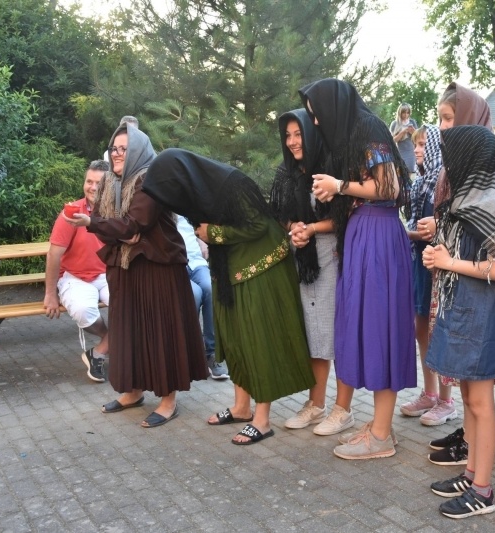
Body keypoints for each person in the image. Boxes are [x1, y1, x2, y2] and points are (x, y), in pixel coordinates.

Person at [142, 148, 315, 444]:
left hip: (263, 269)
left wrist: (216, 234)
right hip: (229, 271)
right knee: (234, 339)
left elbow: (259, 225)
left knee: (258, 341)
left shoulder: (233, 184)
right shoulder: (199, 195)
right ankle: (241, 408)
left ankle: (262, 420)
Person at [300, 78, 416, 460]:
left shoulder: (368, 128)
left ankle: (381, 434)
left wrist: (340, 184)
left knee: (381, 329)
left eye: (317, 116)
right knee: (366, 328)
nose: (315, 124)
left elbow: (388, 188)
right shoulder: (357, 132)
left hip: (379, 237)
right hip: (367, 235)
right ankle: (378, 427)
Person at [66, 124, 208, 428]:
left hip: (159, 269)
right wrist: (120, 231)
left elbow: (132, 225)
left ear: (139, 151)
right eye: (114, 148)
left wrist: (99, 224)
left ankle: (168, 400)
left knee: (160, 332)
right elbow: (121, 230)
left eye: (124, 148)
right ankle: (133, 391)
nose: (117, 154)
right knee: (129, 330)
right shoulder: (112, 184)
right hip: (127, 268)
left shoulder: (151, 181)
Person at [424, 125, 495, 519]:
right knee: (468, 400)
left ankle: (483, 491)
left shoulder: (490, 201)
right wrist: (439, 255)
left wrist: (448, 262)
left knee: (481, 402)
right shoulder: (467, 197)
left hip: (481, 314)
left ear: (471, 158)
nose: (447, 162)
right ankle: (471, 472)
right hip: (462, 306)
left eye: (453, 155)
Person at [424, 80, 495, 465]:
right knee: (469, 383)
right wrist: (433, 232)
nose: (443, 127)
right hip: (454, 276)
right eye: (440, 118)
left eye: (449, 118)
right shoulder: (456, 168)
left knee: (477, 383)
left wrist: (448, 257)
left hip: (474, 288)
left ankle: (476, 452)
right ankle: (470, 438)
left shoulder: (484, 173)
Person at [268, 108, 340, 433]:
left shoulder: (327, 168)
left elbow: (342, 217)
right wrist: (294, 227)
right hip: (301, 256)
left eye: (298, 134)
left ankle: (323, 404)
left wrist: (310, 229)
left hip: (327, 256)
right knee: (311, 331)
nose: (293, 141)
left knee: (324, 331)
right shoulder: (286, 172)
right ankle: (317, 402)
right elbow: (280, 213)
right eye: (288, 135)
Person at [400, 125, 457, 426]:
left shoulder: (448, 181)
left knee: (439, 330)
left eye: (423, 144)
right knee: (421, 329)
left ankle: (447, 401)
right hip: (419, 262)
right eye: (416, 145)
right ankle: (430, 393)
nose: (418, 150)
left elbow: (452, 226)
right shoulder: (420, 182)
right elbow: (417, 226)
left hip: (441, 267)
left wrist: (414, 232)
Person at [44, 160, 110, 383]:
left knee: (133, 304)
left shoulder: (117, 210)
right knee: (83, 310)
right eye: (88, 181)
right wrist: (50, 294)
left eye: (98, 183)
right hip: (75, 276)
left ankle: (99, 352)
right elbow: (54, 254)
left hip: (108, 275)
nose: (91, 187)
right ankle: (116, 341)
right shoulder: (71, 212)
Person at [175, 216, 227, 380]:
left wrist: (201, 240)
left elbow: (201, 226)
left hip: (196, 261)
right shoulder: (161, 202)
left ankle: (211, 353)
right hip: (175, 263)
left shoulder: (187, 205)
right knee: (194, 293)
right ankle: (192, 353)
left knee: (211, 288)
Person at [389, 103, 418, 174]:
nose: (406, 115)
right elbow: (392, 141)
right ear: (400, 113)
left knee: (409, 172)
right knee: (400, 173)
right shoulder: (395, 124)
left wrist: (413, 132)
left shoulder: (412, 122)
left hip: (411, 151)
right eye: (404, 112)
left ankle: (408, 185)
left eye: (408, 113)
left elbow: (418, 137)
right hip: (400, 152)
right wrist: (403, 132)